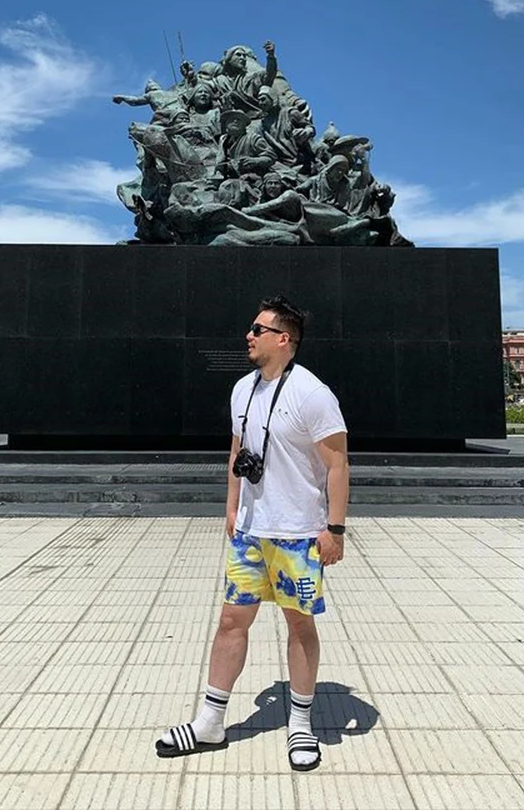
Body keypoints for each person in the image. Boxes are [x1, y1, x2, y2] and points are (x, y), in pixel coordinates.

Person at [156, 296, 349, 771]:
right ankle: (210, 721)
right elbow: (237, 452)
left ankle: (300, 724)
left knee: (299, 625)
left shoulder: (312, 394)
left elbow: (337, 464)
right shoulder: (242, 389)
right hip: (250, 531)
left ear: (283, 339)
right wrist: (231, 506)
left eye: (258, 329)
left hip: (297, 533)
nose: (248, 335)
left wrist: (335, 529)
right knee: (230, 622)